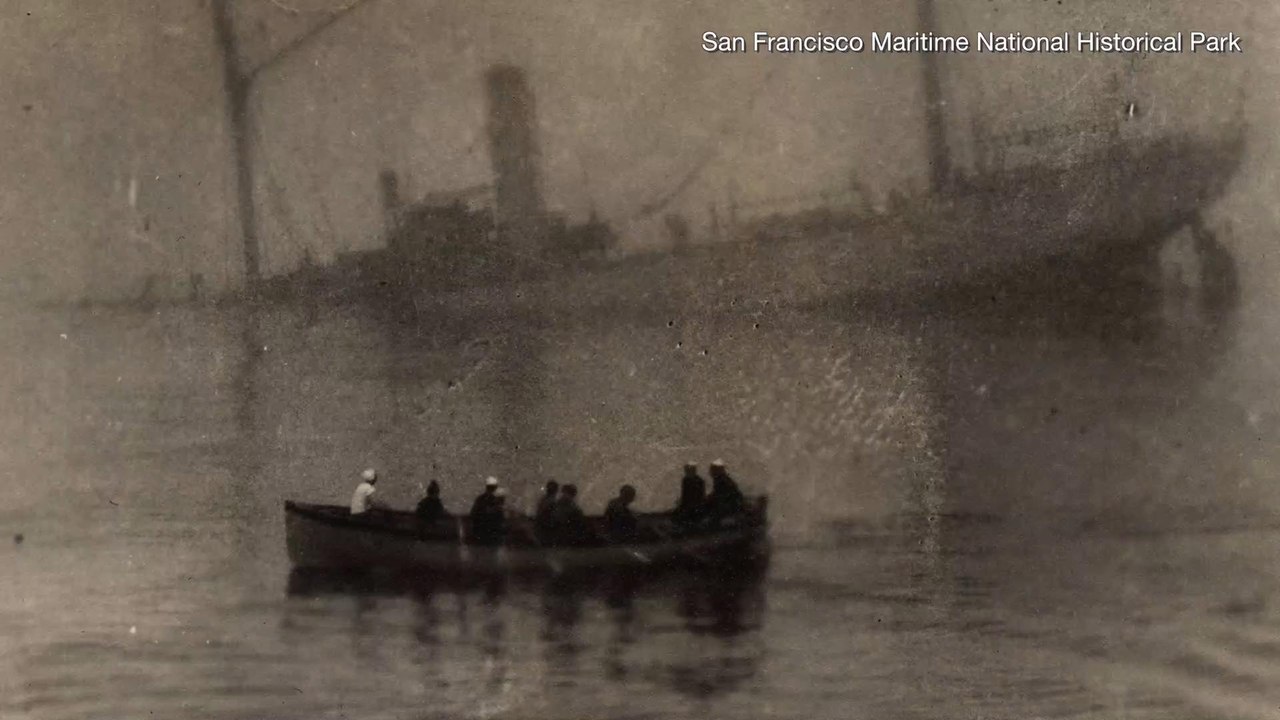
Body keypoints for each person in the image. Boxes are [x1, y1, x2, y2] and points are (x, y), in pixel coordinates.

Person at [705, 460, 746, 526]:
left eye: (712, 470)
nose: (710, 473)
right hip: (730, 504)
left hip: (729, 506)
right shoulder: (722, 479)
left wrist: (709, 499)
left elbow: (720, 496)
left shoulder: (722, 481)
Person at [469, 476, 505, 546]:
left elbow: (473, 513)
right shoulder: (494, 500)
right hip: (489, 532)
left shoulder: (481, 499)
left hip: (481, 532)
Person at [673, 462, 706, 528]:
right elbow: (685, 495)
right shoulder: (686, 480)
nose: (687, 472)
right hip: (690, 505)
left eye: (688, 470)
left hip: (695, 506)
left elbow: (699, 496)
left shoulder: (698, 481)